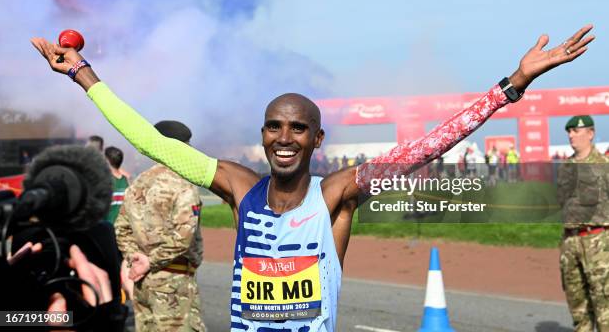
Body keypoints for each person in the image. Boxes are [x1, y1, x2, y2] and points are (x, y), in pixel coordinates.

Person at [32, 25, 594, 331]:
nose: (284, 138)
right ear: (263, 133)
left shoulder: (336, 195)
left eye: (298, 129)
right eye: (274, 126)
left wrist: (510, 86)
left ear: (316, 139)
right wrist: (83, 74)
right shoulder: (235, 184)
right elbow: (151, 141)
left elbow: (428, 146)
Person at [114, 121, 206, 332]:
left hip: (142, 282)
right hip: (174, 283)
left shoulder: (138, 183)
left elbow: (121, 228)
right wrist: (151, 262)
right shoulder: (183, 185)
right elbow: (183, 236)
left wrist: (135, 259)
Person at [557, 115, 609, 331]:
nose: (571, 136)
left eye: (576, 131)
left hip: (598, 242)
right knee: (578, 310)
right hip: (570, 242)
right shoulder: (565, 167)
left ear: (590, 133)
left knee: (605, 308)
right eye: (569, 132)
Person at [104, 146, 130, 224]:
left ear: (107, 161)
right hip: (122, 229)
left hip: (107, 228)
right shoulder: (127, 181)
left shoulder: (105, 181)